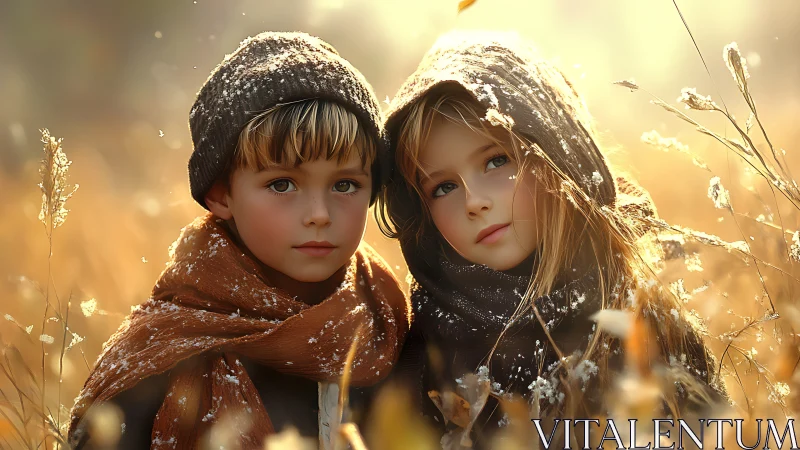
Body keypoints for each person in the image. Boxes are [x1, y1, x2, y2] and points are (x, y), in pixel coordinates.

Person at [376, 31, 728, 447]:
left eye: (495, 160)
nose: (474, 201)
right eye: (443, 187)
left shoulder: (638, 316)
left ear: (554, 153)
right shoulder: (424, 348)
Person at [67, 31, 410, 449]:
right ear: (221, 193)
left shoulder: (390, 332)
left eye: (345, 185)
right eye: (282, 184)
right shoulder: (158, 359)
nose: (319, 214)